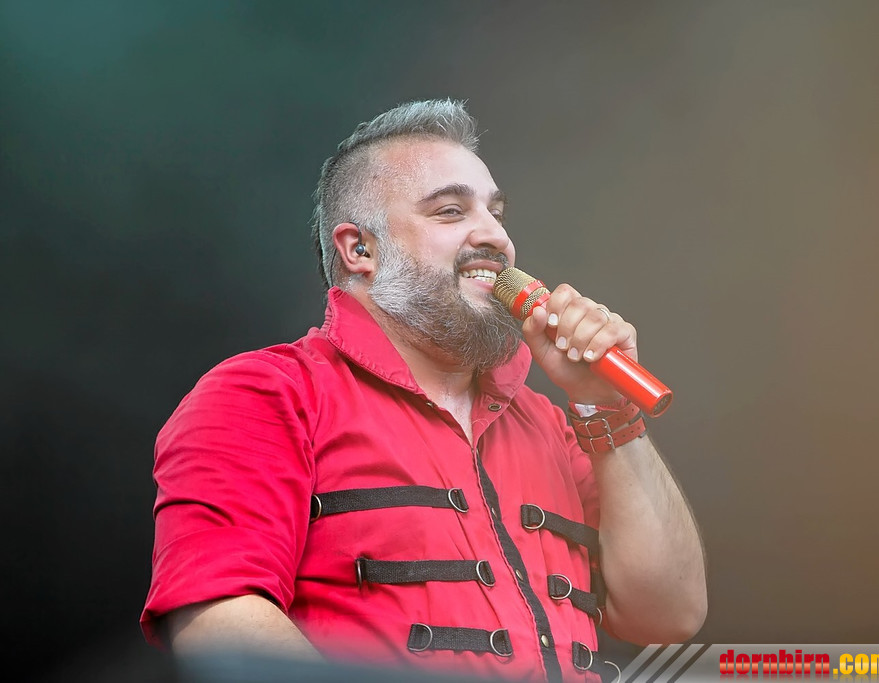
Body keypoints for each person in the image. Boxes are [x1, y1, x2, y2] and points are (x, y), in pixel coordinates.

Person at [141, 99, 707, 682]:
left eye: (496, 213)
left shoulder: (549, 423)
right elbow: (221, 624)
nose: (495, 236)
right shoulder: (263, 394)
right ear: (359, 250)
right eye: (450, 211)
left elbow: (669, 614)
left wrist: (606, 408)